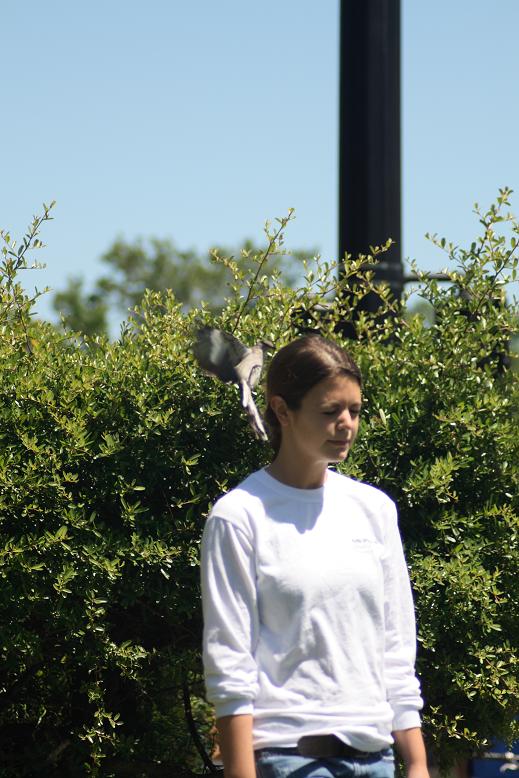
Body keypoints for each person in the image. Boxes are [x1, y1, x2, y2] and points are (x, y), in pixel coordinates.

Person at [201, 335, 429, 778]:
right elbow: (231, 668)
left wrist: (417, 763)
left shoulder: (375, 510)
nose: (346, 424)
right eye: (330, 412)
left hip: (376, 759)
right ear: (282, 411)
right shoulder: (239, 516)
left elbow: (396, 650)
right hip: (288, 759)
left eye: (354, 411)